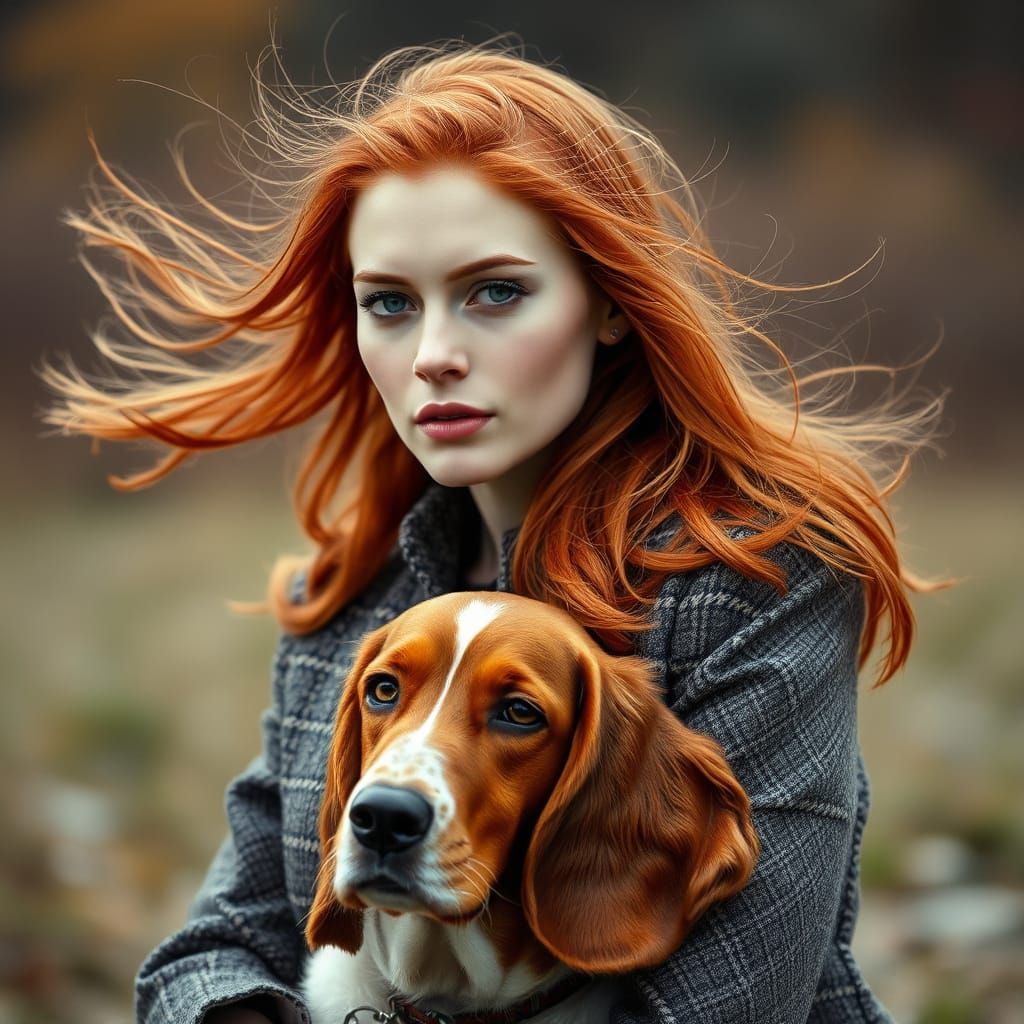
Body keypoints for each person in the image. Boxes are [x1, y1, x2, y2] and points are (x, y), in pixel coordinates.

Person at [44, 40, 942, 1024]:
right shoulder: (350, 595)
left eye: (495, 293)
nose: (432, 356)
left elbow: (732, 1004)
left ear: (607, 301)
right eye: (389, 303)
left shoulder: (756, 575)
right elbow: (216, 947)